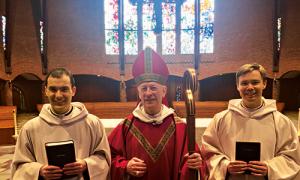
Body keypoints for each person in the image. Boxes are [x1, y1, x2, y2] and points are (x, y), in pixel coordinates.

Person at [108, 47, 206, 180]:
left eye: (153, 87)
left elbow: (194, 163)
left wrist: (195, 164)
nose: (148, 93)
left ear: (164, 91)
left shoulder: (180, 127)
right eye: (144, 88)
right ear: (139, 93)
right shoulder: (126, 126)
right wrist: (126, 166)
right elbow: (109, 157)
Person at [202, 63, 300, 180]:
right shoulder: (220, 119)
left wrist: (270, 168)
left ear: (264, 84)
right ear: (237, 86)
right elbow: (208, 153)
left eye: (255, 82)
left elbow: (292, 158)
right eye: (244, 83)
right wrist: (225, 166)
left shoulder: (281, 122)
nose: (250, 87)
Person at [11, 68, 111, 180]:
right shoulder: (30, 128)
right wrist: (39, 170)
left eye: (64, 89)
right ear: (46, 91)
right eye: (53, 89)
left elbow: (103, 158)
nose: (58, 95)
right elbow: (20, 166)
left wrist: (86, 164)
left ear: (73, 91)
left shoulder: (93, 123)